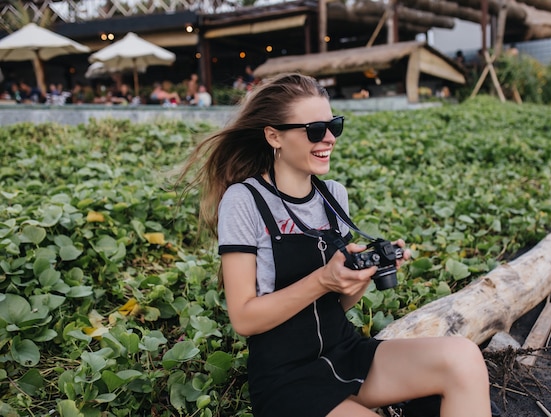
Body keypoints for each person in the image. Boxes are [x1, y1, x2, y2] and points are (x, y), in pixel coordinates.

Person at [176, 73, 491, 417]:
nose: (328, 138)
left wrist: (365, 273)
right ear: (274, 135)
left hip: (344, 352)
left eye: (333, 126)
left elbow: (337, 304)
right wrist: (322, 279)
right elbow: (244, 319)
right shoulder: (245, 200)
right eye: (313, 129)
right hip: (286, 378)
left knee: (464, 358)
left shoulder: (333, 196)